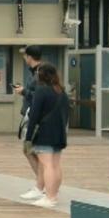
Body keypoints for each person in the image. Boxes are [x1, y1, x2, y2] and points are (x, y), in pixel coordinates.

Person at [25, 62, 70, 208]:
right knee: (56, 165)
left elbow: (34, 115)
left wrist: (28, 137)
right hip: (59, 133)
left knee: (47, 165)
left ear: (42, 75)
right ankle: (54, 195)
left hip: (44, 133)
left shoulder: (41, 90)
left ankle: (49, 198)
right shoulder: (61, 91)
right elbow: (67, 113)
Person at [14, 46, 45, 200]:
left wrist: (24, 92)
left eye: (25, 56)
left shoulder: (40, 74)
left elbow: (41, 96)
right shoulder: (35, 73)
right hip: (30, 116)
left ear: (30, 57)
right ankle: (42, 184)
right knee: (30, 150)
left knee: (32, 151)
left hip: (36, 118)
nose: (24, 59)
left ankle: (42, 186)